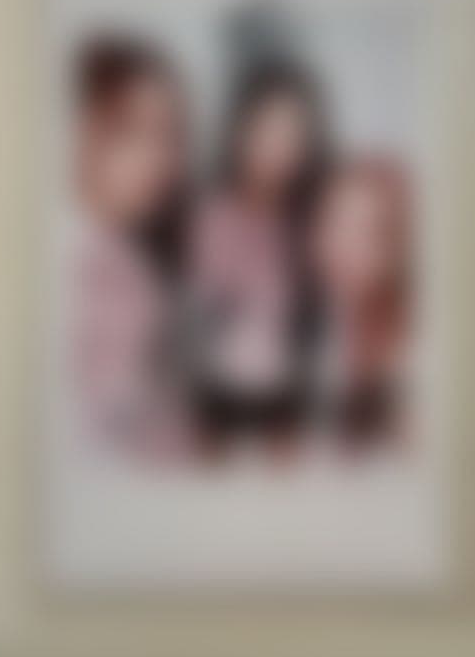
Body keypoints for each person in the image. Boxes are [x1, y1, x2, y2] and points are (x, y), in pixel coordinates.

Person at [189, 61, 329, 456]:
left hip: (287, 397)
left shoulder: (313, 218)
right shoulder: (208, 212)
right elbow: (194, 315)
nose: (279, 149)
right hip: (214, 391)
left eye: (293, 134)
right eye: (268, 130)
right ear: (242, 130)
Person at [70, 35, 189, 458]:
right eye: (131, 132)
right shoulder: (73, 263)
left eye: (170, 135)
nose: (159, 158)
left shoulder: (133, 257)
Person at [309, 157, 413, 451]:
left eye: (364, 232)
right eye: (333, 224)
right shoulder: (321, 341)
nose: (338, 246)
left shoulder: (418, 361)